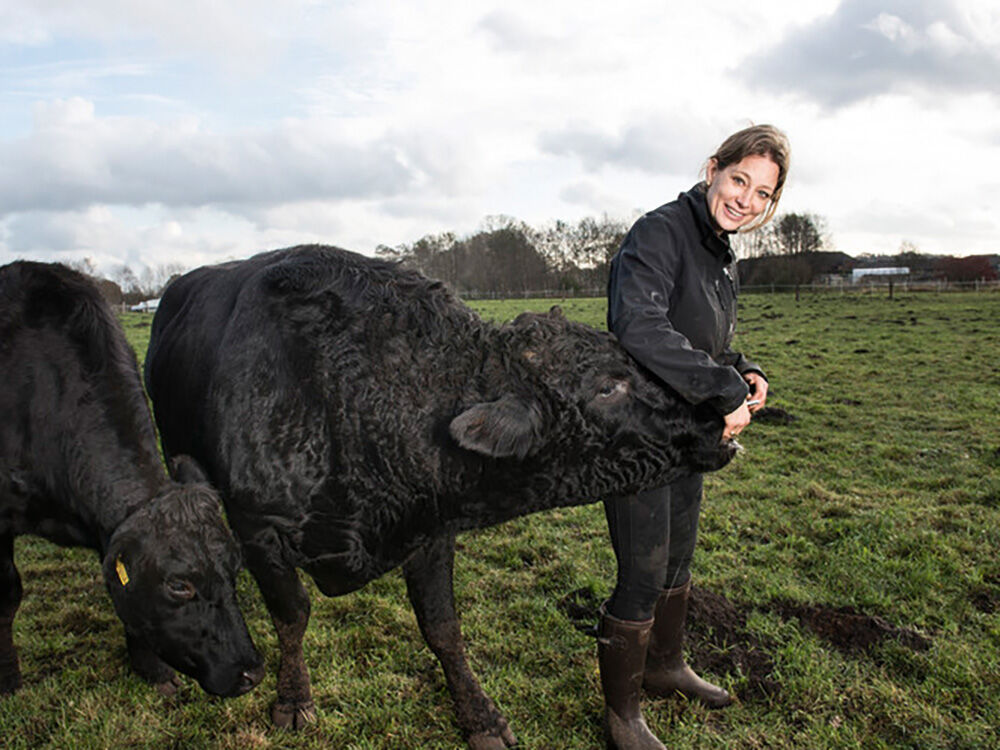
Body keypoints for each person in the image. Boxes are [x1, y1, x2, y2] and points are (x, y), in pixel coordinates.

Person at [599, 124, 790, 749]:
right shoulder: (660, 232)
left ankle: (665, 666)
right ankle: (623, 718)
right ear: (713, 170)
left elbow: (704, 339)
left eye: (763, 193)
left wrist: (742, 369)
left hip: (688, 433)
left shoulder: (718, 249)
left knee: (678, 557)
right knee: (642, 571)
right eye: (740, 181)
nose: (746, 200)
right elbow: (639, 325)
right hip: (640, 436)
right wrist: (721, 389)